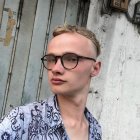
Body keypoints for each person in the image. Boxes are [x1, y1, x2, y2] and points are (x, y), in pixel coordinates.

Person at [0, 24, 102, 140]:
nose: (56, 69)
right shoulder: (21, 121)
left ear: (95, 68)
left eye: (71, 59)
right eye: (51, 59)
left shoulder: (95, 129)